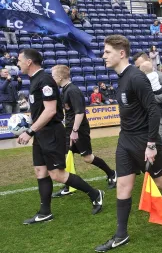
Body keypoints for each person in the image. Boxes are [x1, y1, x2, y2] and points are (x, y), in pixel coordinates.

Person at [95, 35, 162, 253]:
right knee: (123, 185)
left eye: (107, 52)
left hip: (144, 141)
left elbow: (153, 111)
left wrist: (151, 144)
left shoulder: (136, 78)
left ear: (121, 53)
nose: (103, 56)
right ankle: (121, 235)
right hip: (125, 140)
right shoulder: (121, 77)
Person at [16, 49, 104, 224]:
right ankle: (45, 212)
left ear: (29, 62)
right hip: (41, 133)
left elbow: (50, 112)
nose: (17, 63)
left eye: (19, 60)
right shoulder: (34, 81)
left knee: (56, 174)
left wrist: (30, 131)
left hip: (51, 133)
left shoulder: (45, 81)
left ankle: (95, 194)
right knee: (40, 171)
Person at [51, 65, 116, 197]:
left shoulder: (73, 91)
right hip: (69, 129)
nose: (52, 79)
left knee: (87, 158)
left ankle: (112, 173)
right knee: (66, 156)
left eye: (53, 76)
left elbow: (80, 113)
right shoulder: (64, 90)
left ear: (60, 77)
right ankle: (68, 186)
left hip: (78, 130)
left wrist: (74, 131)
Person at [133, 52, 162, 182]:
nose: (138, 69)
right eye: (136, 67)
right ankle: (155, 169)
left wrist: (149, 100)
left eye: (139, 65)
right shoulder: (138, 78)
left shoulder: (161, 76)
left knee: (159, 145)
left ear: (148, 62)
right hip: (148, 117)